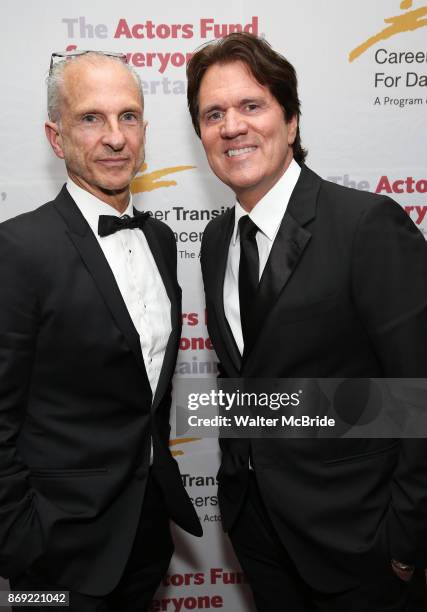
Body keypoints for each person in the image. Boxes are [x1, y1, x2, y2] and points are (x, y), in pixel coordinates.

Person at [186, 33, 427, 611]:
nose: (232, 126)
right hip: (259, 535)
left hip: (360, 543)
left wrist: (405, 542)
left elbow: (418, 390)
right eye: (213, 113)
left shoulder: (367, 226)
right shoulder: (217, 239)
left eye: (252, 106)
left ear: (291, 121)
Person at [0, 50, 201, 612]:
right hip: (55, 553)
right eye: (91, 118)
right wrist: (23, 545)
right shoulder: (17, 250)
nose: (115, 137)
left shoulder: (161, 241)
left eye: (128, 116)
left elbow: (144, 398)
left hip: (146, 538)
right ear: (55, 136)